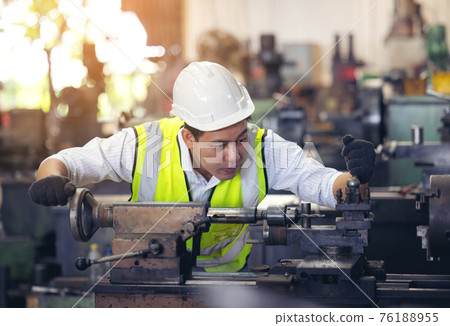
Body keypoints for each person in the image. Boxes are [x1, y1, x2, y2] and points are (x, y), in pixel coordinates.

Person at [29, 61, 375, 273]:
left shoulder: (262, 147)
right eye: (219, 145)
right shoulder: (143, 147)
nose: (234, 155)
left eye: (240, 138)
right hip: (147, 278)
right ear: (188, 138)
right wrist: (51, 178)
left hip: (227, 283)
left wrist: (352, 180)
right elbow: (66, 162)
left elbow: (317, 181)